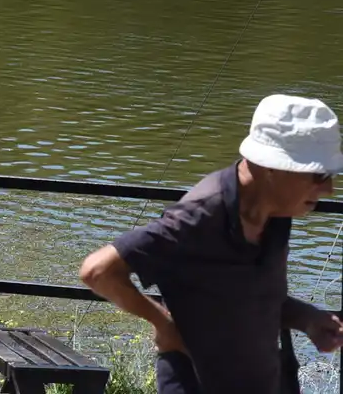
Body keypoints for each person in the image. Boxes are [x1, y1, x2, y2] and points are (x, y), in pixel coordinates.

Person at [80, 95, 343, 394]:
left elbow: (249, 296)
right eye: (318, 175)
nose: (328, 189)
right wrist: (163, 324)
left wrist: (309, 319)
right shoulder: (200, 216)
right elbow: (98, 271)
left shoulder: (278, 209)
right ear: (273, 167)